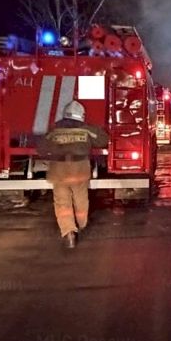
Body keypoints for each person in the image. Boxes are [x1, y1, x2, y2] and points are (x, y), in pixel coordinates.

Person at [37, 100, 109, 248]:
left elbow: (41, 148)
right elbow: (103, 140)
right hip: (80, 169)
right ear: (81, 115)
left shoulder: (54, 130)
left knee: (62, 202)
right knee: (80, 198)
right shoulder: (87, 129)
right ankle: (81, 224)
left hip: (59, 170)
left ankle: (69, 233)